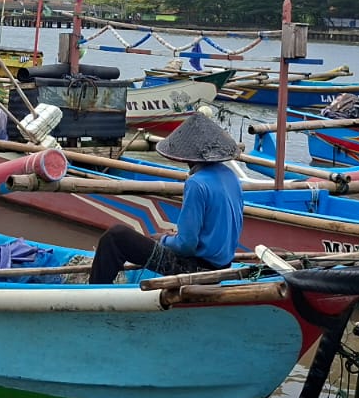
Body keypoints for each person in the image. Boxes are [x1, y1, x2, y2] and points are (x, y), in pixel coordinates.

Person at [88, 113, 244, 284]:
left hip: (197, 270)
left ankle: (94, 292)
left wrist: (163, 239)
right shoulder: (231, 176)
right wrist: (172, 238)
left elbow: (186, 245)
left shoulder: (196, 184)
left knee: (116, 237)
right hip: (223, 266)